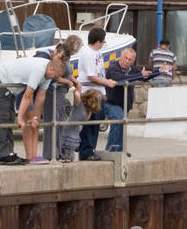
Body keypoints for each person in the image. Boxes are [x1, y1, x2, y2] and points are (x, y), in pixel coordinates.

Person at [0, 54, 65, 165]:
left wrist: (35, 117)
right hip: (0, 78)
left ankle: (8, 153)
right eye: (54, 76)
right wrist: (20, 117)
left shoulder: (48, 74)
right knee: (0, 117)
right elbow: (27, 95)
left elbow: (40, 96)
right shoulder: (39, 70)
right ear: (51, 69)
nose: (54, 79)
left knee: (8, 117)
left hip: (9, 86)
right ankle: (3, 155)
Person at [76, 27, 117, 161]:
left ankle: (90, 149)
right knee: (91, 123)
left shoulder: (97, 52)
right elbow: (91, 76)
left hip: (99, 92)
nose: (103, 44)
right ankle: (86, 151)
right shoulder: (87, 53)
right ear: (98, 41)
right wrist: (107, 82)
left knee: (96, 123)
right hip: (90, 92)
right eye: (102, 41)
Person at [104, 48, 151, 153]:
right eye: (125, 58)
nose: (127, 61)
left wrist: (160, 71)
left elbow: (144, 76)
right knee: (118, 119)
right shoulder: (113, 67)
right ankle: (112, 151)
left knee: (121, 125)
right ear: (121, 56)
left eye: (130, 60)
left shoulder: (132, 70)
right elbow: (120, 78)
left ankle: (118, 150)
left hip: (125, 104)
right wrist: (140, 75)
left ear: (133, 61)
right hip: (111, 102)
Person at [60, 90, 105, 162]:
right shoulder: (79, 103)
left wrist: (90, 111)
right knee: (67, 158)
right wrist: (78, 86)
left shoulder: (89, 110)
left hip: (75, 134)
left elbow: (87, 119)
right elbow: (76, 93)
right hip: (69, 132)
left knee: (69, 158)